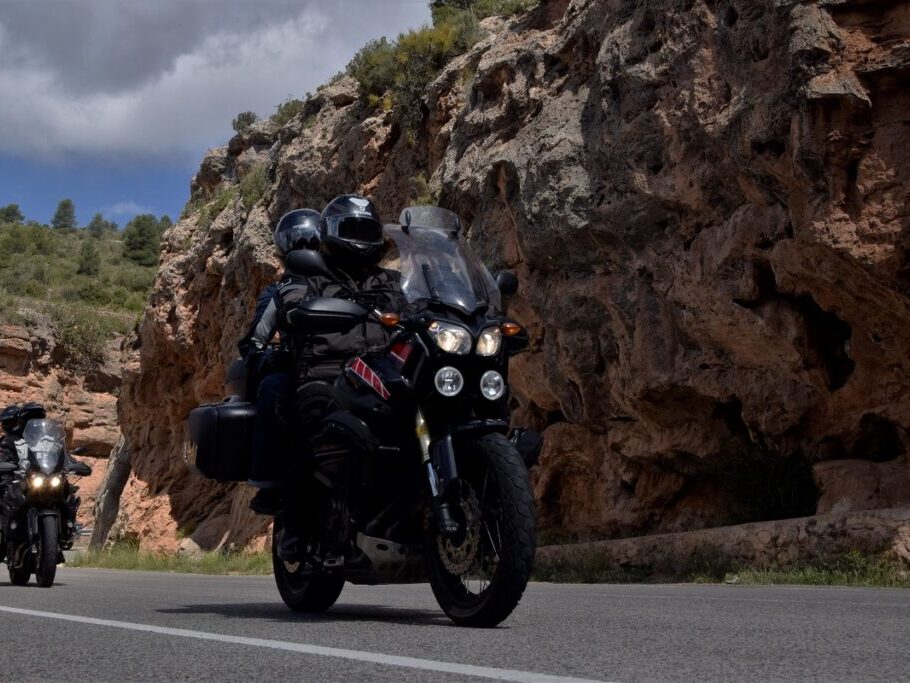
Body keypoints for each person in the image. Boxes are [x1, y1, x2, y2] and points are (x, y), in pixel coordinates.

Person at [251, 194, 403, 560]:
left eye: (368, 230)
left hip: (384, 371)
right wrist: (298, 311)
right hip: (326, 371)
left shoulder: (393, 281)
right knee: (312, 421)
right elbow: (289, 304)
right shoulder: (309, 274)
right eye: (353, 229)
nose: (361, 238)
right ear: (331, 233)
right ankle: (296, 523)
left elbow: (423, 305)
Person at [239, 208, 322, 512]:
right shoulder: (281, 291)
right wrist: (271, 360)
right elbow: (254, 343)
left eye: (311, 241)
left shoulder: (348, 283)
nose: (306, 248)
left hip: (349, 367)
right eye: (299, 243)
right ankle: (269, 482)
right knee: (273, 387)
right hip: (302, 370)